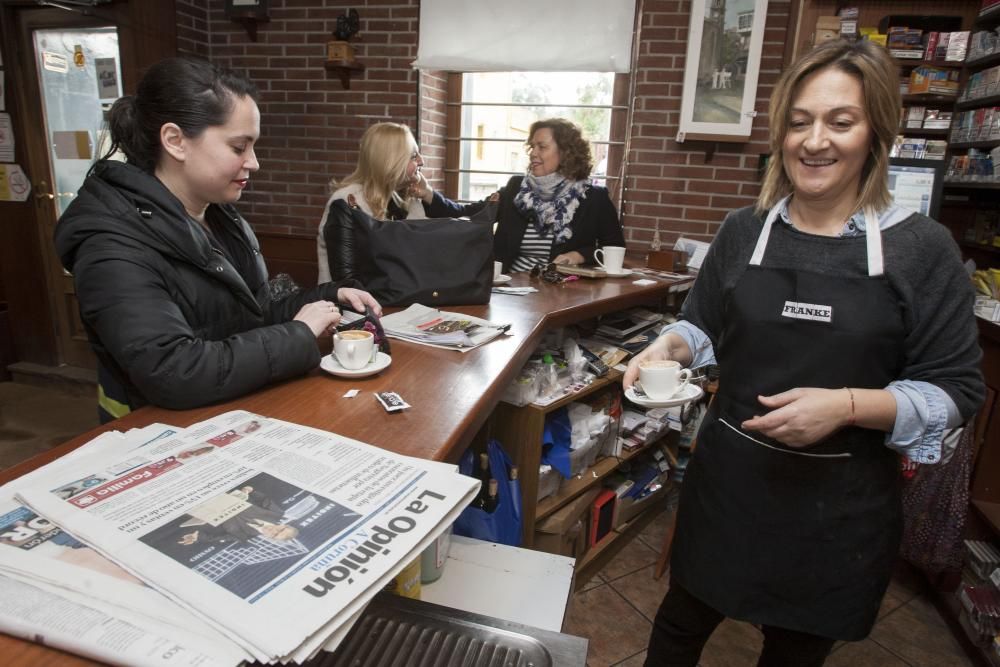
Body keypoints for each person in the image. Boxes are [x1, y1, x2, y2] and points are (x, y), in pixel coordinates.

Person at [623, 39, 984, 666]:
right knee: (680, 624)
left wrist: (846, 406)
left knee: (794, 650)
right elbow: (702, 326)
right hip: (730, 486)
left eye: (840, 122)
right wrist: (668, 347)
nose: (815, 141)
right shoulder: (743, 231)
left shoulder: (922, 250)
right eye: (799, 122)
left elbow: (955, 389)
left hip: (837, 507)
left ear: (876, 132)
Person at [54, 57, 380, 423]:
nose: (254, 163)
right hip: (155, 432)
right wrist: (299, 334)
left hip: (232, 413)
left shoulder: (220, 217)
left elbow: (249, 316)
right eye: (239, 147)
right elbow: (174, 371)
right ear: (176, 141)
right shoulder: (111, 243)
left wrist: (326, 298)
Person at [415, 118, 625, 273]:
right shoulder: (517, 188)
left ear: (566, 152)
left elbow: (615, 251)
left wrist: (580, 255)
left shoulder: (594, 198)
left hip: (562, 296)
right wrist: (427, 193)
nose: (533, 152)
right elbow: (469, 213)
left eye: (542, 147)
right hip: (507, 290)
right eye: (532, 146)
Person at [317, 122, 428, 283]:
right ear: (390, 161)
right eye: (413, 156)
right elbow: (348, 280)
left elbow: (416, 251)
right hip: (347, 304)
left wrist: (418, 197)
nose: (422, 161)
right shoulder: (346, 200)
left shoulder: (396, 199)